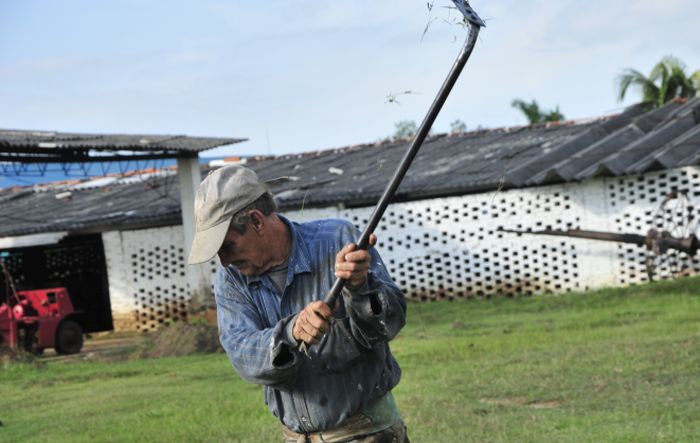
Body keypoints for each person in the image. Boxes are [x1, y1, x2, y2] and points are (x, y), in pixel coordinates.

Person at [187, 165, 410, 443]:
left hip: (367, 433)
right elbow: (242, 352)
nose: (225, 261)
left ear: (256, 221)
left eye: (228, 247)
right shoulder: (231, 280)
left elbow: (388, 325)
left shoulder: (339, 241)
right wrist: (291, 333)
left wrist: (360, 288)